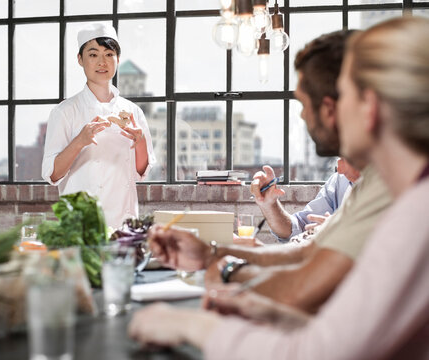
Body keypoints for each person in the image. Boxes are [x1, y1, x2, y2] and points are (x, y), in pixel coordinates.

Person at [129, 17, 429, 359]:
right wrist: (264, 309)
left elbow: (316, 351)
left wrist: (189, 324)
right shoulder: (407, 195)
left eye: (342, 95)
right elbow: (352, 330)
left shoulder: (415, 212)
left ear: (369, 107)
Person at [148, 29, 392, 313]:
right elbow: (301, 246)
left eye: (303, 103)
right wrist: (208, 253)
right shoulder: (363, 183)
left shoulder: (395, 188)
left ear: (331, 107)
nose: (301, 115)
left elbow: (305, 286)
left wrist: (225, 269)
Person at [41, 23, 156, 229]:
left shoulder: (133, 111)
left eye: (109, 54)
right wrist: (80, 141)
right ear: (80, 59)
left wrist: (140, 142)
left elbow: (140, 172)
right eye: (93, 55)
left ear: (118, 59)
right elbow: (52, 174)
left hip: (124, 224)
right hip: (81, 225)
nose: (102, 62)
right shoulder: (65, 111)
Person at [251, 157, 360, 242]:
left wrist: (340, 232)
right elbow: (297, 229)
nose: (339, 169)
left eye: (348, 159)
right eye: (338, 158)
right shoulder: (338, 182)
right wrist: (269, 205)